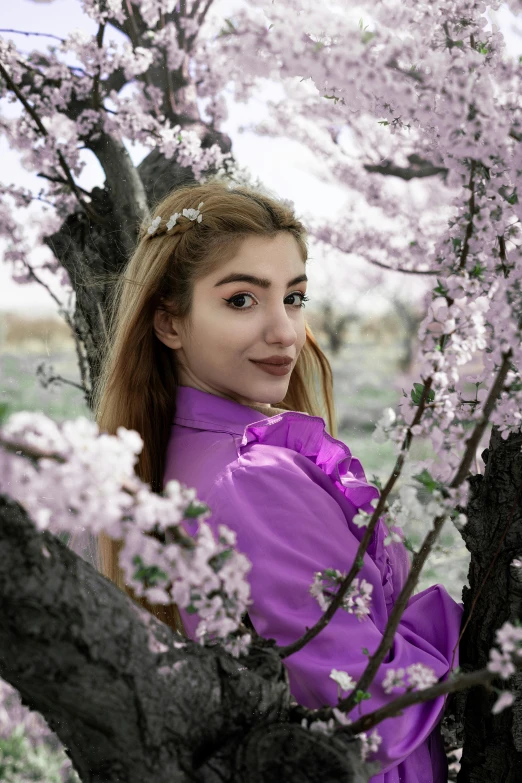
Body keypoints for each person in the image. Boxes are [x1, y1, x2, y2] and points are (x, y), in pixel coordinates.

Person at [95, 179, 463, 782]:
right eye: (242, 299)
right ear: (169, 323)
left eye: (293, 297)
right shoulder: (252, 480)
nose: (285, 332)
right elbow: (365, 706)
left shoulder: (175, 459)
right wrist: (472, 625)